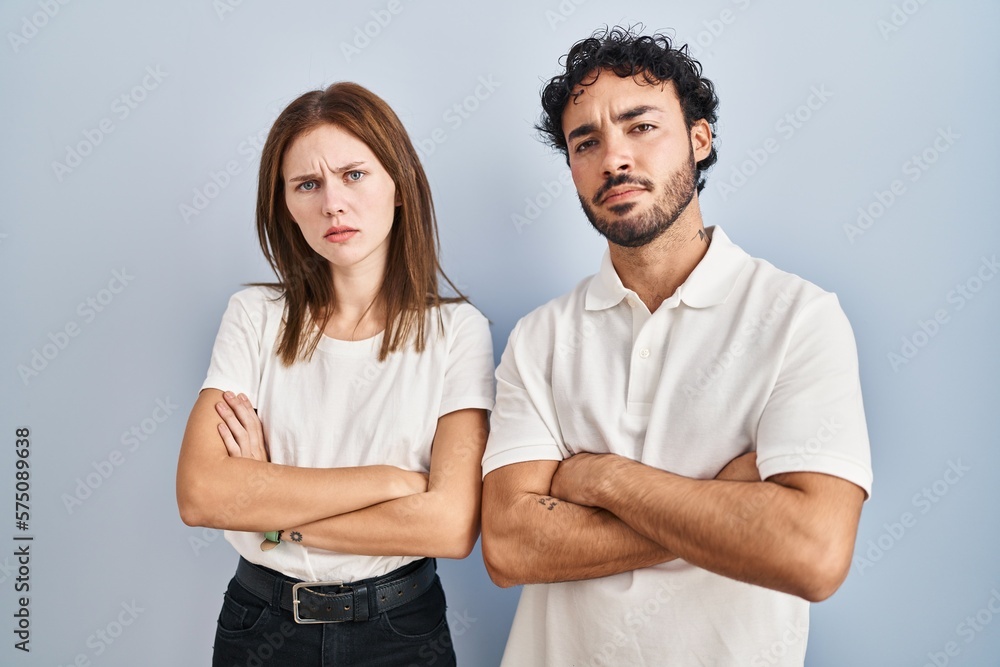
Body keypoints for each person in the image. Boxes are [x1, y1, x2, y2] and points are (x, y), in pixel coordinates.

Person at [480, 26, 872, 667]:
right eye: (587, 142)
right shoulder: (540, 337)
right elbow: (510, 547)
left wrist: (600, 477)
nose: (614, 159)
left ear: (699, 137)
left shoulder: (799, 318)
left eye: (641, 127)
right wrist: (726, 501)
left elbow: (812, 552)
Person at [176, 81, 494, 666]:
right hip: (260, 625)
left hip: (400, 630)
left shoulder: (458, 331)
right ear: (286, 206)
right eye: (308, 184)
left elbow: (450, 525)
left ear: (399, 186)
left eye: (354, 174)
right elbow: (201, 494)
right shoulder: (253, 316)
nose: (332, 204)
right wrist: (392, 481)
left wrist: (273, 516)